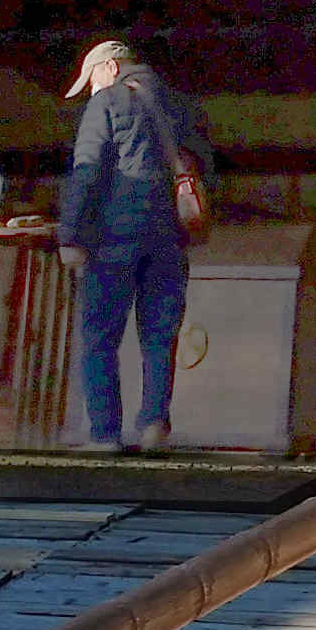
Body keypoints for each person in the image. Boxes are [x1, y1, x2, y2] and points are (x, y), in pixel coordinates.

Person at [57, 38, 214, 453]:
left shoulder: (107, 102)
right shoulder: (179, 104)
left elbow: (87, 172)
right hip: (169, 239)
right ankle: (153, 424)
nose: (91, 89)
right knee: (159, 336)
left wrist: (70, 235)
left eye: (92, 80)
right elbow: (205, 167)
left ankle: (105, 433)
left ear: (110, 68)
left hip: (114, 239)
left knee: (99, 337)